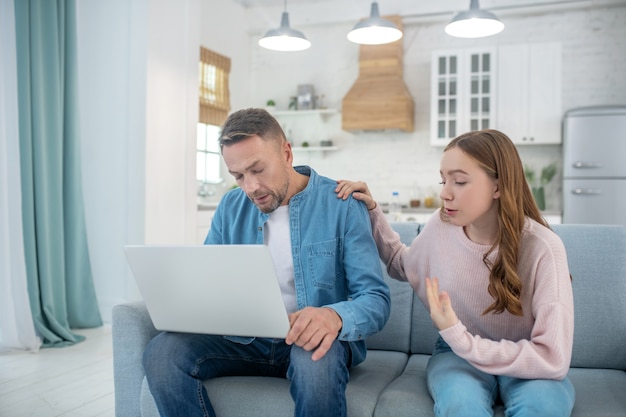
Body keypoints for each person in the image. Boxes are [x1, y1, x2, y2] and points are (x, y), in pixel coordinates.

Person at [142, 108, 391, 417]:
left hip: (310, 340)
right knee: (162, 353)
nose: (250, 187)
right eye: (238, 176)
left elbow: (376, 300)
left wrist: (333, 316)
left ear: (286, 152)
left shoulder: (341, 204)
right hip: (244, 342)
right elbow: (209, 280)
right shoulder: (231, 206)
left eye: (258, 169)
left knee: (314, 360)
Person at [335, 129, 575, 417]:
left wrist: (462, 338)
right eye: (443, 179)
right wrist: (372, 210)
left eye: (459, 181)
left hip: (526, 359)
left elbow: (552, 358)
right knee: (461, 406)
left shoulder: (544, 249)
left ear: (498, 186)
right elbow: (403, 265)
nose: (444, 192)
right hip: (456, 354)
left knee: (541, 407)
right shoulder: (442, 225)